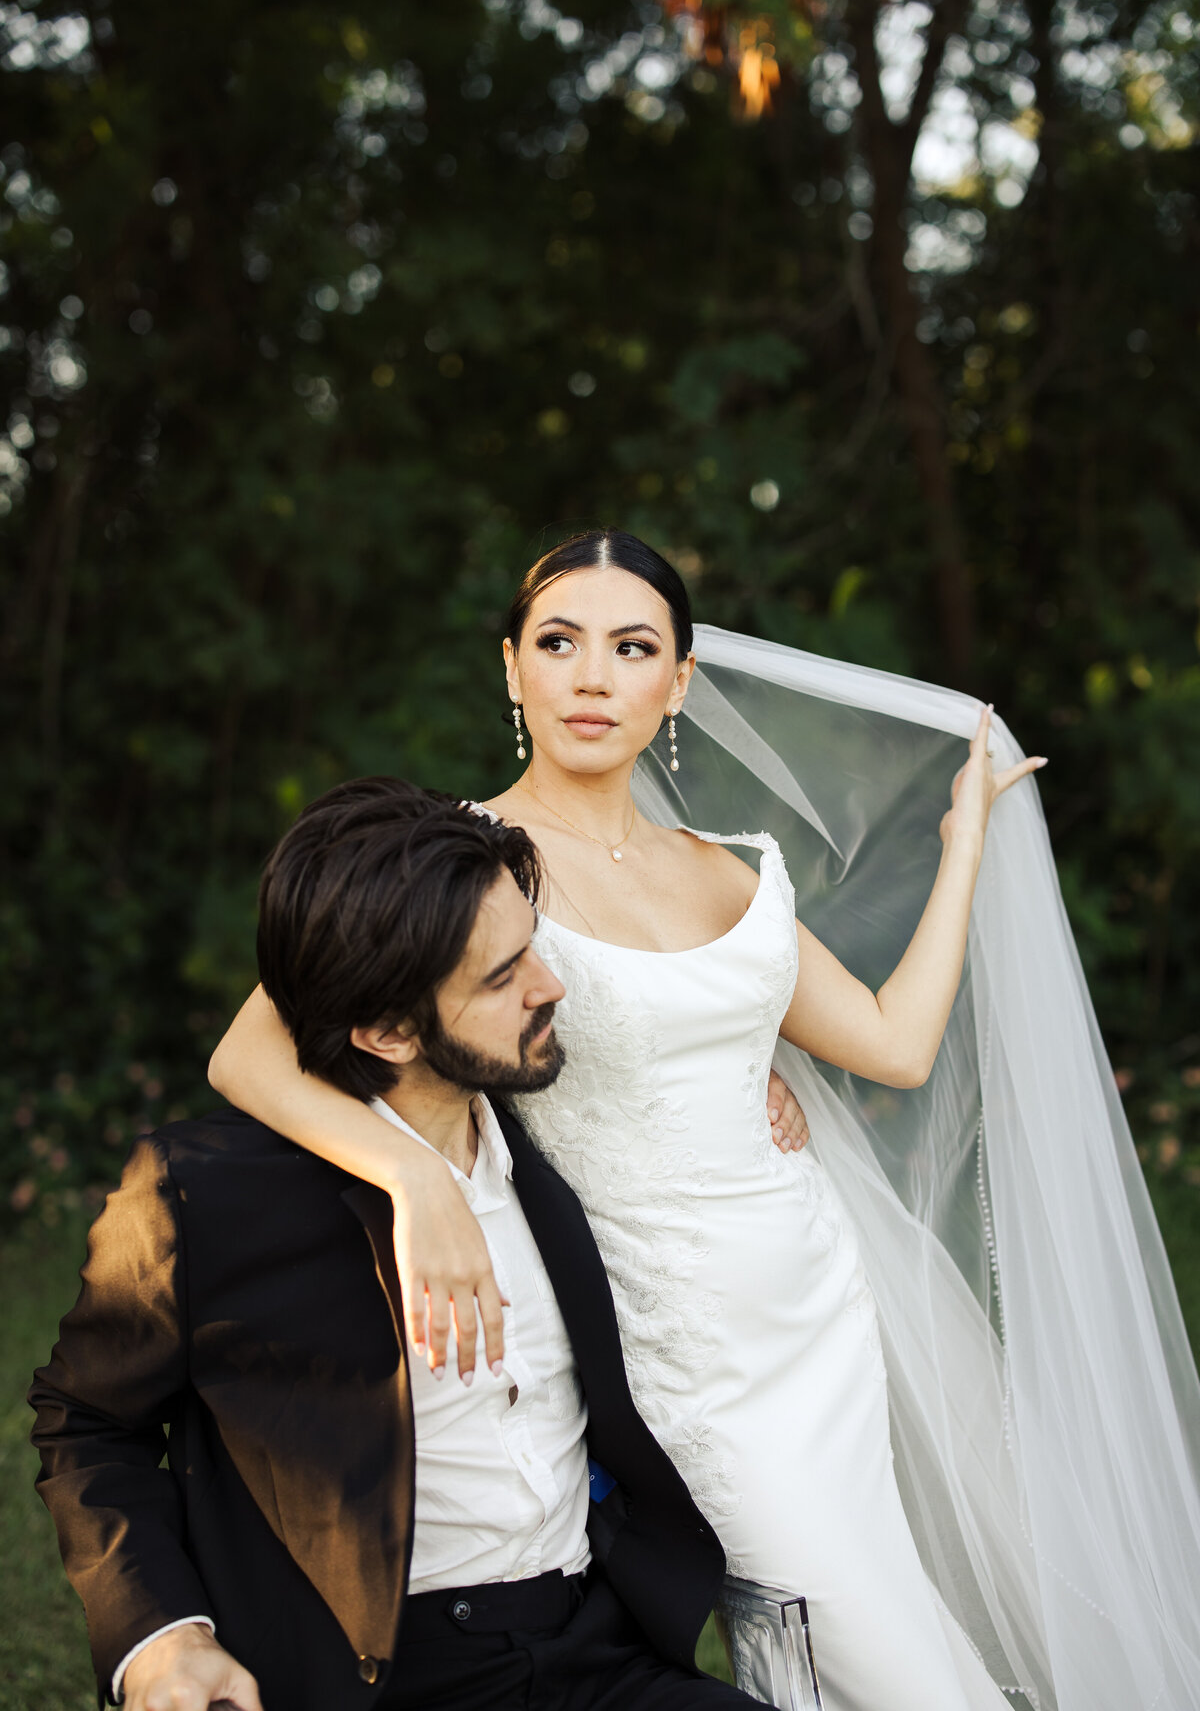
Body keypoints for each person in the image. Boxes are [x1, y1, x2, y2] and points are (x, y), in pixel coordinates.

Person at [210, 531, 1200, 1711]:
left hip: (815, 1304)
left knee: (828, 1648)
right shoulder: (458, 860)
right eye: (559, 643)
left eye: (633, 649)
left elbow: (893, 1043)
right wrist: (415, 1178)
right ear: (511, 668)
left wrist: (964, 844)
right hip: (673, 1341)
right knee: (886, 1662)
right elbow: (247, 1052)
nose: (593, 677)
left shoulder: (733, 871)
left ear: (679, 681)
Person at [30, 779, 768, 1711]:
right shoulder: (210, 1194)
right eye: (502, 977)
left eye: (532, 944)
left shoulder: (556, 1142)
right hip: (386, 1677)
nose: (551, 985)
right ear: (385, 1031)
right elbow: (88, 1421)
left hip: (598, 1653)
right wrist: (162, 1639)